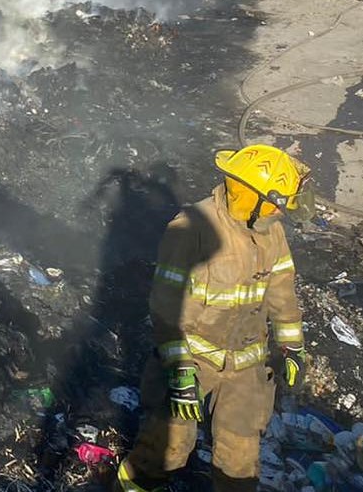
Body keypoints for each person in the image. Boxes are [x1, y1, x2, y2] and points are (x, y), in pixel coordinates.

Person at [116, 144, 313, 492]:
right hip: (193, 361)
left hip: (246, 368)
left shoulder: (272, 234)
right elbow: (165, 305)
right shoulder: (191, 230)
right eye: (274, 204)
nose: (278, 214)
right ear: (246, 195)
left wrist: (292, 347)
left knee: (239, 462)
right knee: (167, 448)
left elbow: (283, 292)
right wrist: (179, 370)